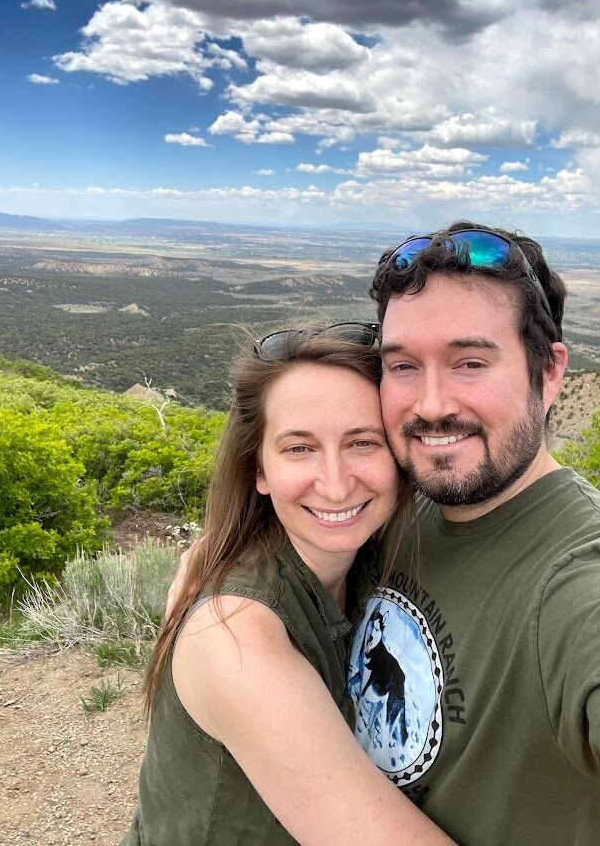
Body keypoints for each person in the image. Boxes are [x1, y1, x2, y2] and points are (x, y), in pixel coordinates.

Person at [347, 221, 600, 845]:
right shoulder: (391, 501)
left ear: (547, 374)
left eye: (470, 362)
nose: (431, 404)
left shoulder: (594, 582)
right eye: (403, 366)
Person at [122, 327, 457, 845]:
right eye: (299, 448)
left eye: (363, 442)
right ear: (260, 469)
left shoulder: (358, 551)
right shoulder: (234, 639)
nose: (336, 481)